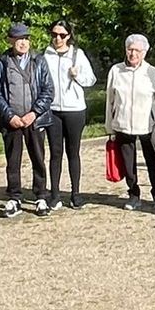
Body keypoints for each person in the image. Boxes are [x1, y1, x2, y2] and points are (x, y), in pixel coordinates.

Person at [0, 22, 55, 218]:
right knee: (12, 160)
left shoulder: (39, 61)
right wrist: (9, 116)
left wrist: (34, 113)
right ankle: (14, 197)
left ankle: (41, 195)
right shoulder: (0, 63)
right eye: (18, 39)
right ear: (11, 41)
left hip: (35, 119)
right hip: (12, 120)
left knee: (38, 158)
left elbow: (48, 90)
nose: (23, 43)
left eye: (25, 38)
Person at [105, 34, 155, 210]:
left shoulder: (151, 72)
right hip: (123, 124)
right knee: (128, 164)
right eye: (130, 49)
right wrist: (110, 128)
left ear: (144, 52)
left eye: (137, 50)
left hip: (147, 125)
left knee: (152, 160)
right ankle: (133, 194)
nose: (133, 53)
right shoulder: (116, 71)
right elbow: (109, 101)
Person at [41, 19, 97, 210]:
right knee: (55, 152)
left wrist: (77, 75)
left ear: (69, 36)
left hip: (74, 110)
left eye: (62, 35)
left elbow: (91, 79)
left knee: (73, 152)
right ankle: (54, 194)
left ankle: (75, 193)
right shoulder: (45, 56)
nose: (58, 38)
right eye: (54, 34)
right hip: (53, 109)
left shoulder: (77, 55)